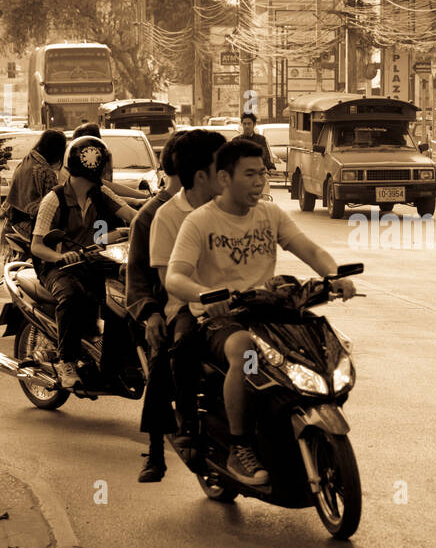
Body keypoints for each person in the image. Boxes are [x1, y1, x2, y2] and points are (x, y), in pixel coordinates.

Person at [164, 139, 356, 486]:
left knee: (322, 342)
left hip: (267, 311)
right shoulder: (199, 222)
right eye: (250, 174)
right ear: (224, 178)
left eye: (262, 173)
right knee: (245, 351)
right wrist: (206, 295)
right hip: (220, 319)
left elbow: (309, 249)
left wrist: (334, 276)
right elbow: (174, 277)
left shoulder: (270, 214)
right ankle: (239, 447)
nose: (259, 182)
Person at [30, 136, 138, 389]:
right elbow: (37, 246)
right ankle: (66, 360)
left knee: (125, 294)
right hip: (58, 266)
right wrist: (59, 256)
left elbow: (133, 217)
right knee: (71, 296)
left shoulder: (100, 193)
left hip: (92, 259)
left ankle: (116, 360)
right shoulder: (53, 200)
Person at [148, 129, 226, 469]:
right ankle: (189, 425)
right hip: (186, 308)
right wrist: (206, 297)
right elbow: (168, 281)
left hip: (235, 304)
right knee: (183, 347)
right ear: (201, 176)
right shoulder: (165, 216)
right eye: (222, 167)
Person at [125, 130, 193, 482]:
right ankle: (155, 453)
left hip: (206, 305)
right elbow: (135, 278)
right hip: (164, 309)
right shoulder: (152, 216)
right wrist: (151, 313)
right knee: (162, 363)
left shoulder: (217, 209)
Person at [63, 122, 148, 201]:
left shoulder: (89, 177)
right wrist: (138, 199)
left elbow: (107, 188)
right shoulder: (73, 174)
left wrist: (142, 197)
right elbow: (108, 196)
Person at [5, 129, 67, 238]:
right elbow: (52, 203)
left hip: (13, 220)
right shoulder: (46, 171)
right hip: (31, 225)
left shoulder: (26, 161)